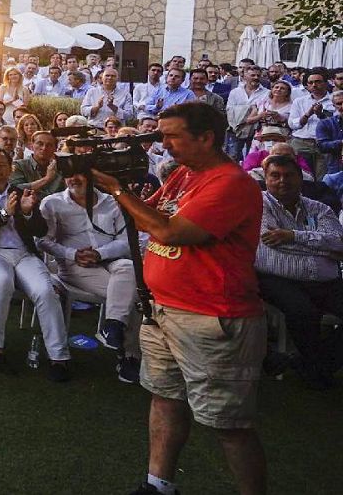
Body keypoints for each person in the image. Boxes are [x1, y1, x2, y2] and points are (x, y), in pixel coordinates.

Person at [98, 102, 267, 495]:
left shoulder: (230, 183)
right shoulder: (184, 175)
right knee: (165, 398)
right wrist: (126, 188)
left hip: (211, 318)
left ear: (206, 137)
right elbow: (148, 217)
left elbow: (170, 231)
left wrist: (117, 188)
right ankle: (159, 484)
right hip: (163, 310)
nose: (164, 144)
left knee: (230, 424)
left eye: (171, 136)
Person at [0, 147, 73, 380]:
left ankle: (58, 357)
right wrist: (4, 213)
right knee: (1, 281)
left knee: (45, 290)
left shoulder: (23, 192)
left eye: (1, 164)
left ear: (10, 168)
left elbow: (40, 231)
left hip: (23, 254)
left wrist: (29, 213)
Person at [37, 168, 141, 382]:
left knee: (128, 268)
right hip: (75, 267)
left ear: (92, 176)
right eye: (69, 174)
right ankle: (129, 355)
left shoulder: (113, 202)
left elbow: (126, 240)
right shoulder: (52, 203)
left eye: (80, 173)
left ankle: (112, 326)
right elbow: (42, 241)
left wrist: (100, 253)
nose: (73, 178)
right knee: (132, 295)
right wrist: (72, 254)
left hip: (110, 260)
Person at [253, 153, 343, 390]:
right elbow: (267, 240)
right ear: (266, 178)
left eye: (289, 175)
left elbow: (339, 242)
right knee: (303, 311)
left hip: (324, 280)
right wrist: (321, 248)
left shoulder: (319, 208)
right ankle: (317, 369)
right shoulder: (257, 203)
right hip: (277, 278)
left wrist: (290, 236)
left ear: (300, 178)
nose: (282, 181)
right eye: (275, 175)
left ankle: (309, 363)